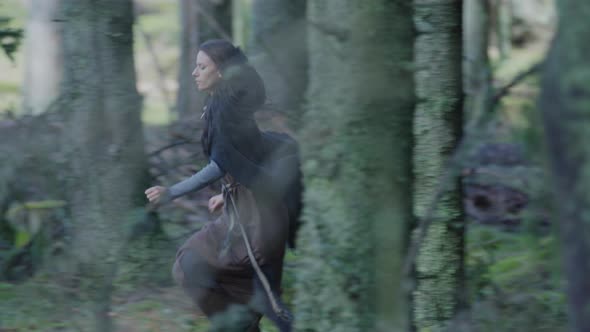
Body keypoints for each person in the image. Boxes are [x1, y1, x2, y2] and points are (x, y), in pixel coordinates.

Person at [144, 39, 301, 332]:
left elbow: (221, 163)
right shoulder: (221, 105)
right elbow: (244, 156)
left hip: (259, 219)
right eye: (196, 66)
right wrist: (229, 192)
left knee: (269, 301)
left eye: (202, 67)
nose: (195, 72)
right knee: (190, 264)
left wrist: (171, 192)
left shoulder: (228, 112)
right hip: (241, 211)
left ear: (222, 73)